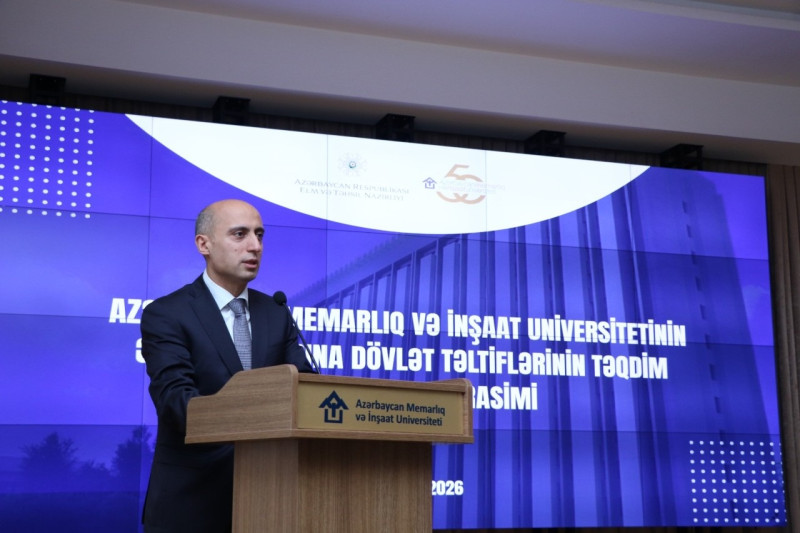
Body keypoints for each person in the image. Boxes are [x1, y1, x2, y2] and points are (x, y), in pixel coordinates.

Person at [140, 199, 315, 533]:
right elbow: (176, 402)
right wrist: (254, 418)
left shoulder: (276, 312)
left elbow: (302, 387)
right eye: (240, 234)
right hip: (192, 503)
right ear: (203, 244)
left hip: (272, 500)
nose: (255, 246)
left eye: (259, 235)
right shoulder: (167, 314)